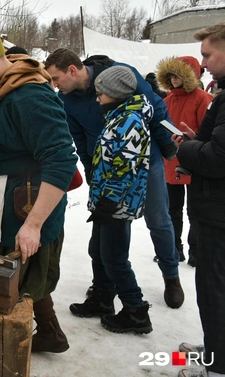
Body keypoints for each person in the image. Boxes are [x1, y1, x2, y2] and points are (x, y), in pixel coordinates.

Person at [0, 28, 77, 369]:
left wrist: (34, 224)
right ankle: (50, 334)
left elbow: (62, 160)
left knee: (6, 283)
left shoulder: (28, 97)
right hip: (4, 198)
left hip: (29, 204)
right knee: (20, 274)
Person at [44, 48, 185, 309]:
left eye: (56, 79)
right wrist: (89, 168)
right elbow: (79, 136)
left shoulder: (119, 75)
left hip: (144, 159)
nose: (54, 85)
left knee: (158, 219)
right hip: (105, 166)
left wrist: (167, 147)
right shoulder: (67, 99)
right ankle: (106, 286)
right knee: (111, 226)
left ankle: (171, 275)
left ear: (72, 71)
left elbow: (154, 108)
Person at [69, 66, 153, 333]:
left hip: (117, 204)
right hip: (106, 200)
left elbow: (123, 167)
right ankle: (103, 299)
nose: (97, 99)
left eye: (101, 94)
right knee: (98, 251)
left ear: (115, 94)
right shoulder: (118, 116)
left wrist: (110, 200)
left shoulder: (129, 121)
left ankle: (135, 310)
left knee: (114, 258)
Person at [175, 22, 225, 377]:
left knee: (214, 289)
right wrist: (200, 142)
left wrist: (188, 147)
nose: (203, 63)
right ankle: (215, 348)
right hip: (215, 208)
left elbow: (216, 158)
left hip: (218, 214)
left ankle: (217, 365)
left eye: (207, 55)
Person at [155, 56, 213, 266]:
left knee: (195, 211)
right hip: (171, 162)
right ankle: (174, 248)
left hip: (195, 161)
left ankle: (196, 251)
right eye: (170, 74)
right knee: (172, 210)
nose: (174, 78)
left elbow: (208, 131)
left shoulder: (203, 98)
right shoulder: (166, 100)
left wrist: (191, 139)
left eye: (178, 74)